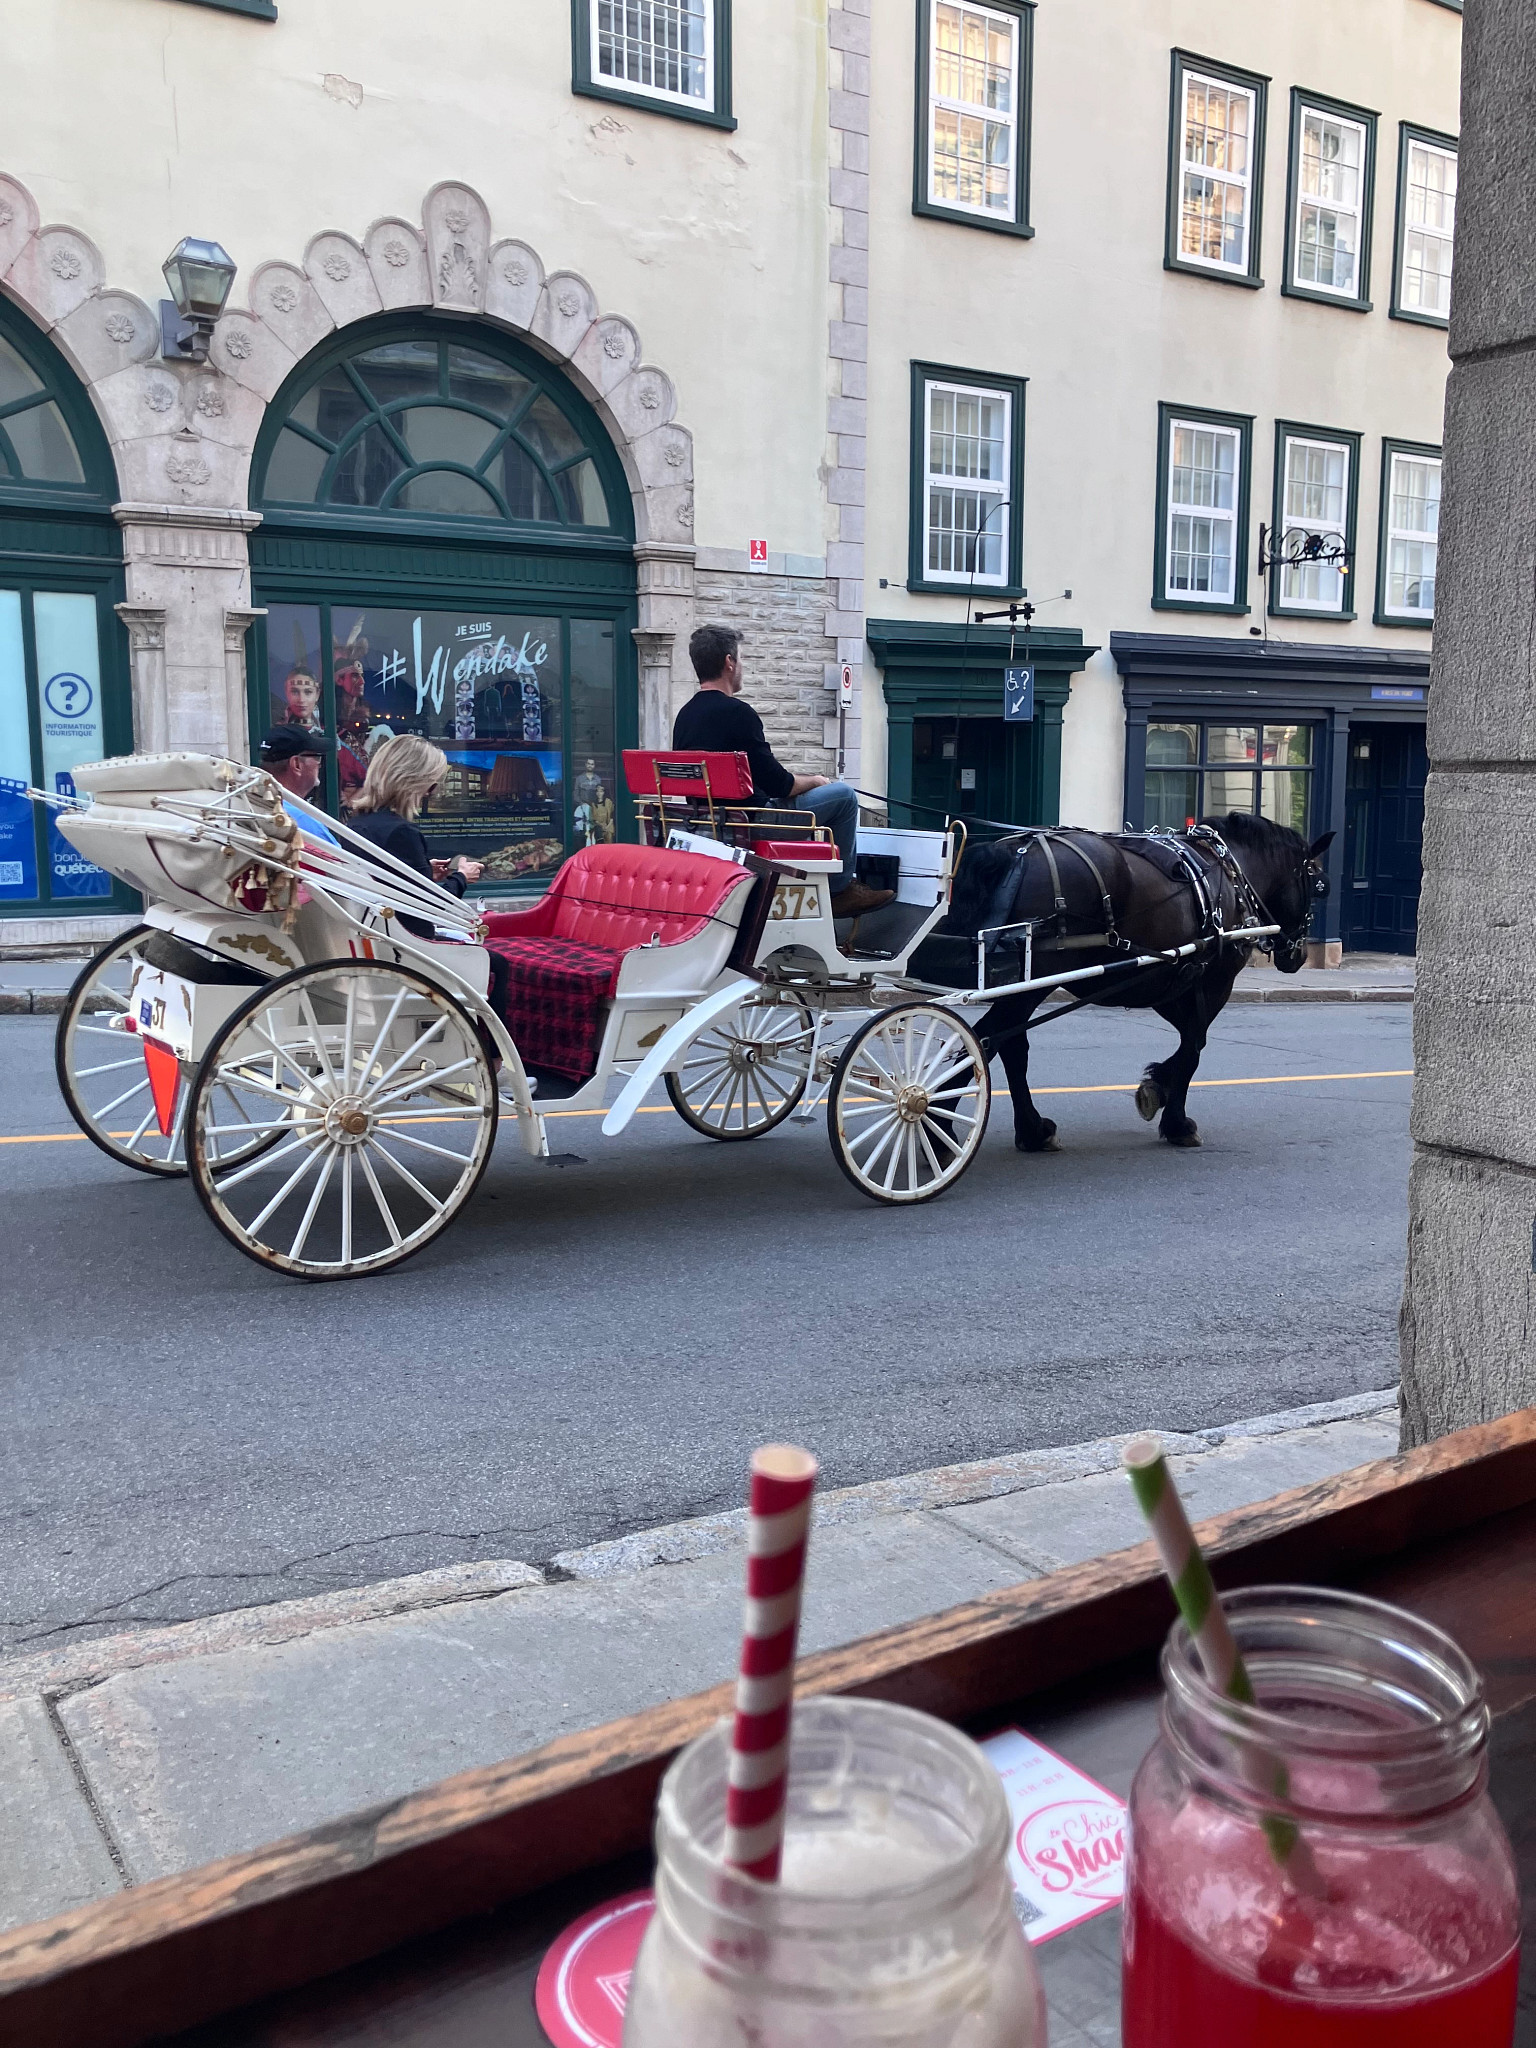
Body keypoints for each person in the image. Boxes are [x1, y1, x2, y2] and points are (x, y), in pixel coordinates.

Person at [672, 624, 893, 917]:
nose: (741, 668)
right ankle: (841, 890)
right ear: (729, 662)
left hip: (707, 822)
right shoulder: (739, 713)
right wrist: (816, 780)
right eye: (741, 660)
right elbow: (781, 786)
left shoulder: (685, 716)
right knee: (844, 796)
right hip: (752, 822)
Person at [346, 733, 485, 936]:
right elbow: (432, 908)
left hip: (376, 933)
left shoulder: (357, 824)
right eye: (432, 785)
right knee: (498, 962)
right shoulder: (402, 832)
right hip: (408, 943)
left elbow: (386, 880)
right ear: (414, 782)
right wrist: (462, 877)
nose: (432, 793)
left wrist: (425, 871)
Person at [257, 726, 340, 846]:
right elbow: (342, 863)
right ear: (296, 764)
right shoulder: (302, 822)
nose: (319, 765)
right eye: (317, 757)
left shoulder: (249, 807)